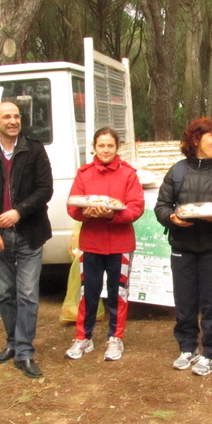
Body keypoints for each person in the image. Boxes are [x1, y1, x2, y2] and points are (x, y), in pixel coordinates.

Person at [0, 101, 54, 379]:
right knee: (6, 294)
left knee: (28, 294)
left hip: (30, 233)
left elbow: (45, 189)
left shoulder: (35, 149)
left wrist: (19, 212)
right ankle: (12, 343)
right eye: (7, 116)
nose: (13, 120)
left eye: (16, 116)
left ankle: (25, 352)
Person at [155, 118, 212, 376]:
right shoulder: (177, 171)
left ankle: (211, 352)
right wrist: (171, 218)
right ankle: (187, 347)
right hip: (182, 245)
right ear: (195, 140)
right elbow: (161, 206)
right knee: (185, 301)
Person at [65, 128, 144, 361]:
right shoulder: (84, 174)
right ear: (94, 147)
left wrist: (111, 215)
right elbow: (72, 207)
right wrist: (88, 214)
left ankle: (115, 339)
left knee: (117, 293)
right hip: (91, 243)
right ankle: (83, 337)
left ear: (117, 147)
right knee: (87, 292)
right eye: (101, 146)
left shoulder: (128, 174)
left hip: (121, 244)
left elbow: (135, 207)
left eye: (110, 145)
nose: (106, 150)